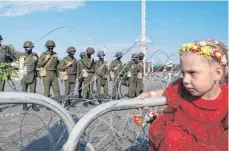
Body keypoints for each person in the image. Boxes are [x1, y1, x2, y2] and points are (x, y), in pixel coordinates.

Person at [139, 39, 228, 151]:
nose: (185, 80)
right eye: (183, 73)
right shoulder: (181, 89)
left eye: (192, 73)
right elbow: (165, 92)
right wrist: (149, 94)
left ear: (217, 73)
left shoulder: (226, 99)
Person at [21, 41, 39, 111]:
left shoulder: (35, 55)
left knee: (33, 92)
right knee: (24, 92)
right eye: (25, 48)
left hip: (32, 75)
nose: (27, 49)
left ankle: (33, 105)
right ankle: (24, 105)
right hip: (24, 75)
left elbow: (38, 65)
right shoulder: (21, 55)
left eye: (28, 47)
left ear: (31, 47)